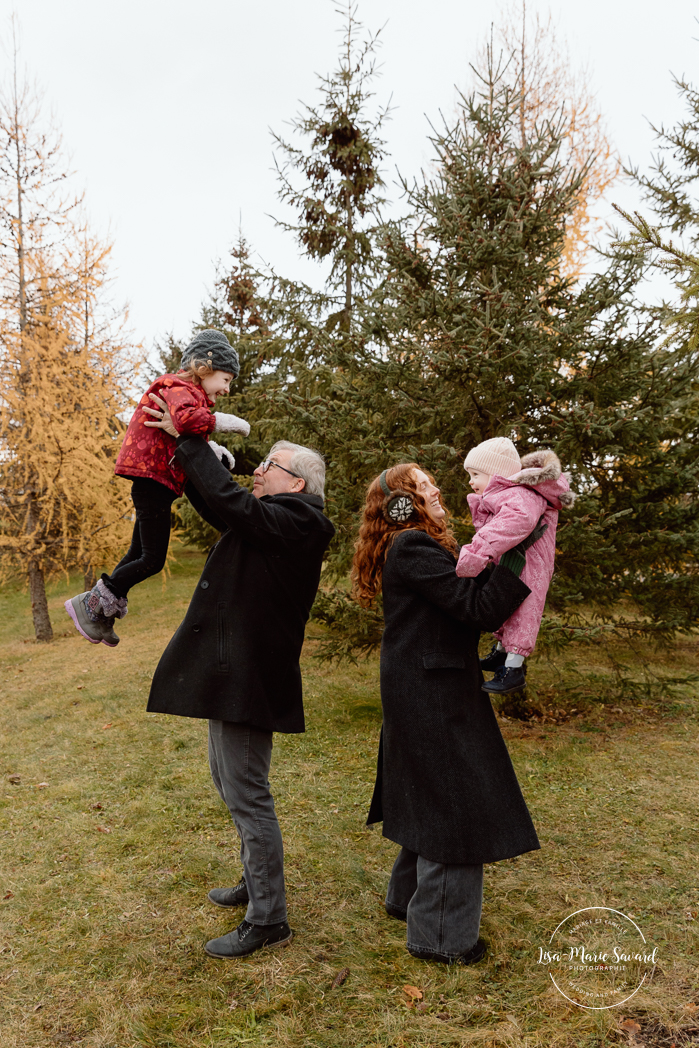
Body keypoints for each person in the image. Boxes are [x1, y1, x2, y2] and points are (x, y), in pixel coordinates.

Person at [143, 397, 334, 959]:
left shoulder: (301, 522)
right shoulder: (273, 521)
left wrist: (190, 440)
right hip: (235, 672)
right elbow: (223, 506)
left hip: (251, 677)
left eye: (269, 466)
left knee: (248, 794)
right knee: (230, 784)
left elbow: (235, 506)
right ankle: (257, 882)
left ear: (297, 484)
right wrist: (181, 455)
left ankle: (268, 917)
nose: (257, 470)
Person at [352, 463, 540, 965]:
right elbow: (473, 607)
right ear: (400, 504)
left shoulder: (417, 546)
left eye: (431, 481)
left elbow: (459, 603)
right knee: (456, 802)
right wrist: (521, 553)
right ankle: (439, 937)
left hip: (425, 680)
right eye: (422, 486)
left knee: (429, 789)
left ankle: (404, 899)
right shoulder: (412, 545)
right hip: (430, 687)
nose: (436, 489)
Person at [64, 329, 250, 647]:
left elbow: (182, 435)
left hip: (157, 481)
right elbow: (186, 421)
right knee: (152, 559)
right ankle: (90, 605)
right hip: (153, 481)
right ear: (205, 367)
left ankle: (98, 612)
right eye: (226, 379)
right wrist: (223, 421)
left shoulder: (188, 394)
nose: (228, 389)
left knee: (138, 552)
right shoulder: (177, 386)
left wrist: (213, 452)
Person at [456, 437, 575, 694]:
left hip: (531, 565)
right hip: (516, 562)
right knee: (508, 606)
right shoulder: (509, 493)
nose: (470, 481)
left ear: (496, 473)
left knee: (523, 613)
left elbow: (514, 522)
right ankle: (501, 654)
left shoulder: (521, 494)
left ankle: (513, 670)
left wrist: (476, 553)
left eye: (476, 474)